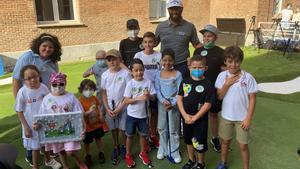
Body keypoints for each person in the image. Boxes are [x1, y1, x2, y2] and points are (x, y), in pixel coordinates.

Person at [12, 33, 62, 166]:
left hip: (44, 99)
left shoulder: (53, 60)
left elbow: (54, 79)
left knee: (44, 128)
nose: (47, 49)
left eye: (51, 47)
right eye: (44, 46)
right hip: (29, 100)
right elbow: (16, 78)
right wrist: (18, 100)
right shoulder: (28, 56)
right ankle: (30, 155)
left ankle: (47, 155)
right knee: (31, 132)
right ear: (38, 46)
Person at [214, 46, 258, 169]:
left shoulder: (248, 77)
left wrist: (248, 118)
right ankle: (223, 163)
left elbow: (253, 99)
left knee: (243, 145)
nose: (233, 65)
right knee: (225, 141)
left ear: (241, 61)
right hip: (226, 116)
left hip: (242, 118)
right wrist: (227, 84)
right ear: (225, 62)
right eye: (230, 61)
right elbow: (219, 97)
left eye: (237, 61)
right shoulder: (222, 76)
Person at [38, 72, 88, 169]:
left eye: (61, 84)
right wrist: (38, 124)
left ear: (65, 84)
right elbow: (42, 115)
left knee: (70, 151)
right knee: (60, 150)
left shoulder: (71, 97)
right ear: (50, 84)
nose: (58, 86)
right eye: (54, 84)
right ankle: (65, 166)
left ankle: (79, 161)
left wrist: (83, 126)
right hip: (55, 130)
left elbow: (79, 113)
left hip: (70, 129)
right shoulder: (47, 99)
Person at [177, 55, 214, 169]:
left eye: (200, 67)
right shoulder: (185, 81)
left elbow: (207, 104)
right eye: (194, 67)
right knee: (188, 140)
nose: (197, 70)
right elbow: (179, 99)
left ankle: (200, 163)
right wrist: (184, 115)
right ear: (189, 67)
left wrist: (195, 117)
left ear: (205, 68)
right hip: (186, 119)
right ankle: (191, 160)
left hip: (200, 120)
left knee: (199, 142)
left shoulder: (208, 84)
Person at [193, 24, 225, 153]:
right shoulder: (197, 51)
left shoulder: (220, 52)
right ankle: (197, 137)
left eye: (209, 36)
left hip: (213, 89)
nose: (206, 38)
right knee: (198, 113)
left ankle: (214, 137)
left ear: (215, 37)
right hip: (199, 89)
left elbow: (224, 71)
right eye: (205, 36)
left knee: (213, 114)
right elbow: (193, 68)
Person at [155, 0, 202, 78]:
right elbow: (154, 43)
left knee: (182, 88)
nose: (174, 11)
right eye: (171, 9)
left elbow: (196, 44)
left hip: (182, 65)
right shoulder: (160, 26)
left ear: (182, 9)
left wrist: (210, 48)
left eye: (177, 9)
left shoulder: (189, 27)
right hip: (165, 64)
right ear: (168, 10)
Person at [101, 49, 132, 165]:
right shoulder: (105, 75)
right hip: (110, 107)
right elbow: (104, 92)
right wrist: (107, 108)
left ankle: (124, 146)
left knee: (122, 129)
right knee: (113, 129)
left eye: (114, 59)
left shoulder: (126, 74)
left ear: (120, 59)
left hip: (123, 107)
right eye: (109, 60)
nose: (112, 62)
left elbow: (128, 93)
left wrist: (120, 108)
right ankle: (116, 146)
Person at [123, 58, 156, 168]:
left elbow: (153, 97)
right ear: (131, 72)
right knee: (129, 135)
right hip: (132, 115)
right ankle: (127, 155)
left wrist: (149, 96)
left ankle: (143, 153)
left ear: (143, 70)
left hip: (144, 115)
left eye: (141, 70)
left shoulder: (148, 82)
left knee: (143, 136)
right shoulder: (130, 84)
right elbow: (127, 100)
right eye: (136, 70)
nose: (139, 73)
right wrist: (139, 98)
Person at [154, 48, 182, 163]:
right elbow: (157, 89)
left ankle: (174, 150)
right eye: (164, 60)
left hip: (174, 106)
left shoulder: (178, 74)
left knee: (174, 128)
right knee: (162, 127)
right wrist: (163, 101)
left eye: (170, 60)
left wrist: (173, 102)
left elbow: (180, 91)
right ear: (161, 61)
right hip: (162, 105)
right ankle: (163, 148)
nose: (167, 63)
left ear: (174, 61)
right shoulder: (158, 74)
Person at [134, 31, 161, 149]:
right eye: (145, 42)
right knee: (144, 114)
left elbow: (161, 72)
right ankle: (145, 136)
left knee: (154, 113)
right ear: (142, 43)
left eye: (150, 42)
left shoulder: (159, 55)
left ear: (154, 43)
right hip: (142, 89)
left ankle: (153, 134)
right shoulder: (138, 55)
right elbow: (134, 72)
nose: (148, 44)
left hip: (155, 89)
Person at [78, 79, 106, 167]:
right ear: (81, 90)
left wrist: (101, 115)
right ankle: (88, 155)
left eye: (91, 89)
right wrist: (88, 112)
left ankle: (101, 152)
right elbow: (81, 114)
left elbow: (98, 107)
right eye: (86, 89)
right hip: (87, 127)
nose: (88, 91)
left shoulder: (94, 98)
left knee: (98, 139)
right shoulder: (80, 101)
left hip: (97, 124)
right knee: (87, 142)